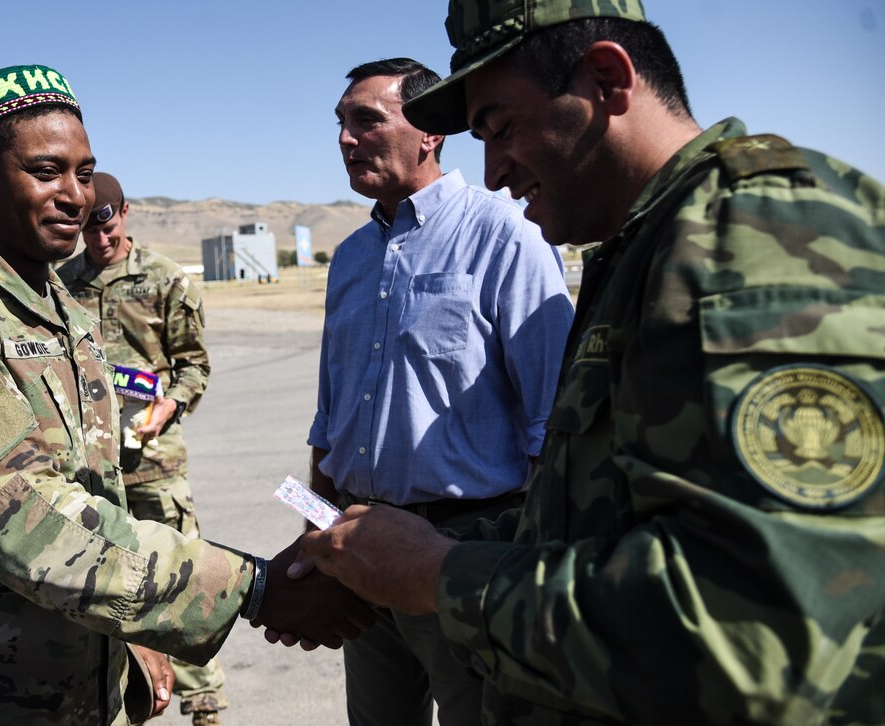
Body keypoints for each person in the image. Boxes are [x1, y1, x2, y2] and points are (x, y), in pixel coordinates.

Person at [300, 2, 885, 724]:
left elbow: (758, 635)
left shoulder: (753, 241)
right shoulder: (648, 246)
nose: (493, 171)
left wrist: (440, 572)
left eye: (502, 128)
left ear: (607, 80)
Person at [0, 63, 372, 725]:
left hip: (67, 691)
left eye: (84, 174)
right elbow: (23, 518)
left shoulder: (63, 313)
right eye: (46, 171)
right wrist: (252, 589)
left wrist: (127, 636)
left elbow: (92, 497)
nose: (74, 196)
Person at [306, 57, 573, 726]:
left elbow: (554, 422)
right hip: (360, 551)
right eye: (340, 124)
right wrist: (316, 540)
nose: (346, 138)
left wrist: (518, 576)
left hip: (461, 557)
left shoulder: (504, 234)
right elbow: (329, 420)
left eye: (366, 120)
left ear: (429, 133)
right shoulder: (351, 257)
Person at [58, 172, 230, 726]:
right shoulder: (64, 284)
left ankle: (203, 703)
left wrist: (170, 407)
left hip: (155, 465)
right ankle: (119, 699)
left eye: (106, 225)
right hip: (93, 471)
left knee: (185, 582)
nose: (98, 240)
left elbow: (194, 364)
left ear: (124, 213)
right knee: (106, 590)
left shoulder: (164, 279)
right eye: (88, 228)